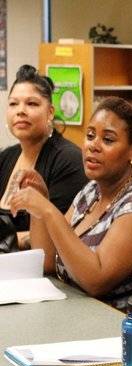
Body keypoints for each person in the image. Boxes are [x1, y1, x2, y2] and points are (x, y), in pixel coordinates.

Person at [10, 96, 132, 310]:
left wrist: (47, 210)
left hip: (116, 327)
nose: (93, 145)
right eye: (90, 135)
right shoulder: (91, 191)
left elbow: (96, 280)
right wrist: (40, 200)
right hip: (74, 313)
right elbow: (48, 260)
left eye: (108, 140)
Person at [0, 64, 86, 249]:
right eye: (14, 103)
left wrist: (12, 239)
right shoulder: (6, 156)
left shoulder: (68, 159)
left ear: (50, 113)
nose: (20, 111)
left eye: (32, 103)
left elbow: (61, 231)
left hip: (45, 270)